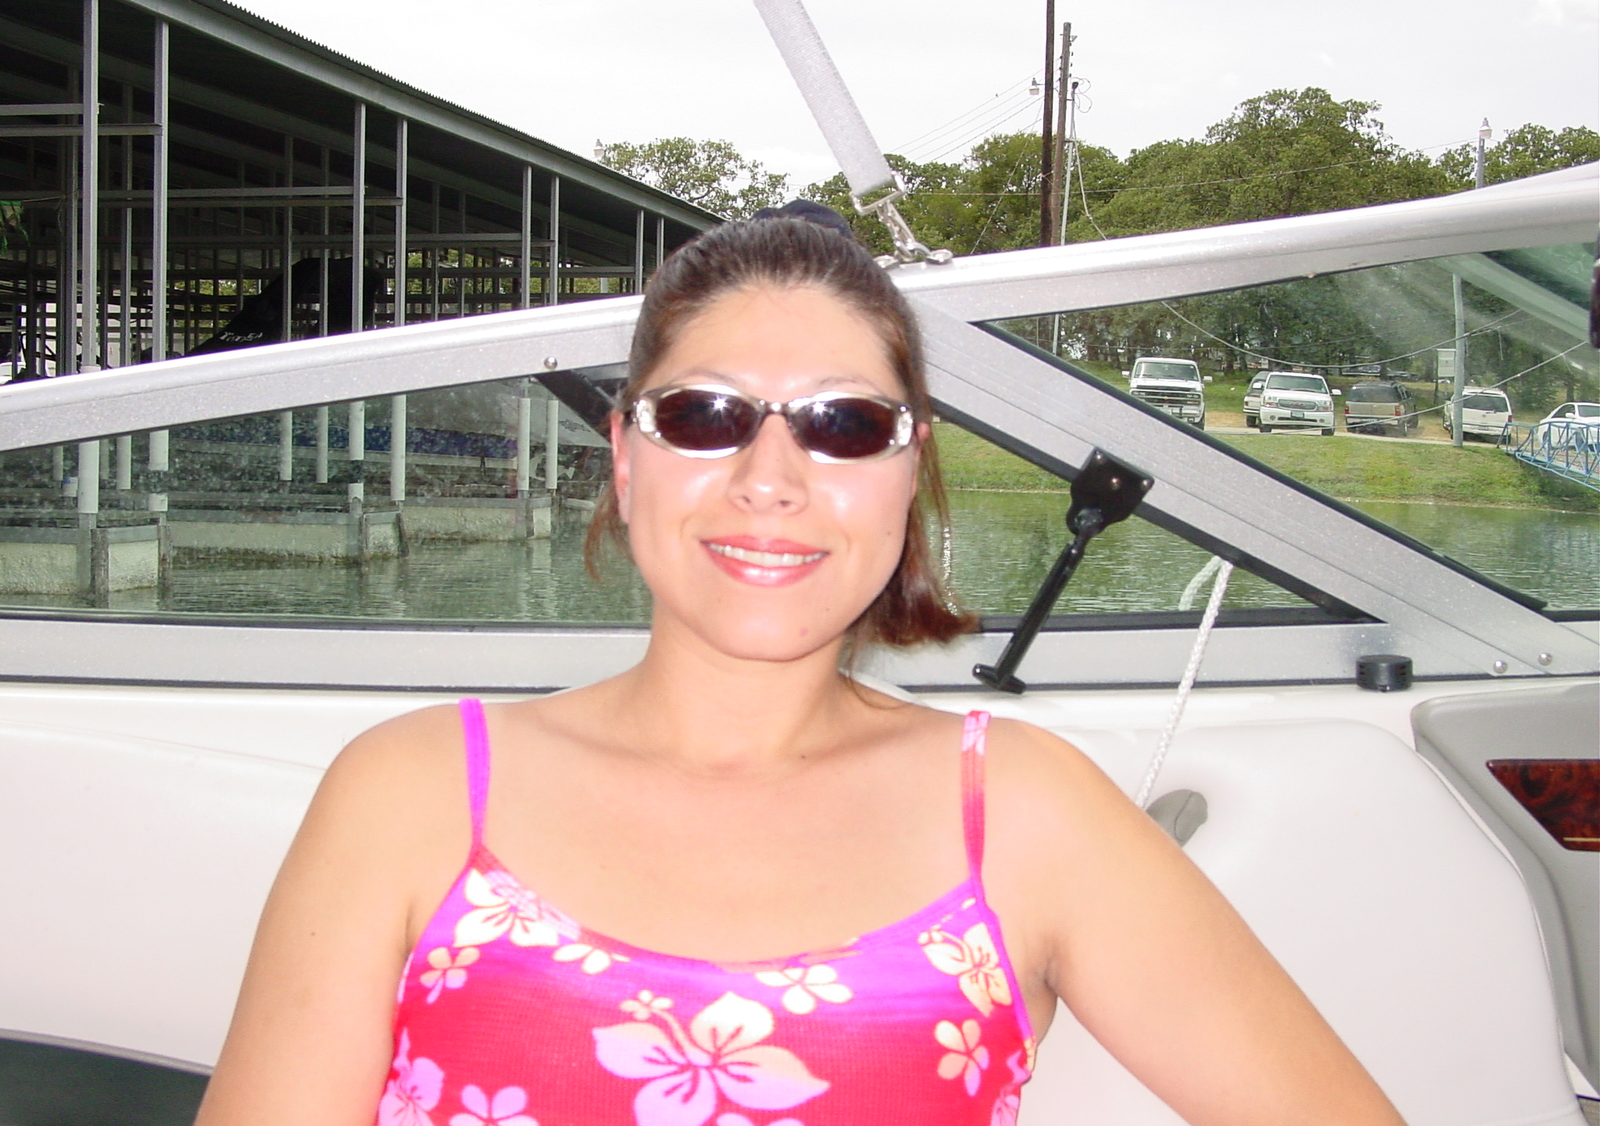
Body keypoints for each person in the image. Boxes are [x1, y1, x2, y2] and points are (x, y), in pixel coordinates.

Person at [196, 205, 1405, 1126]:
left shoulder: (1027, 813)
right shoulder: (409, 791)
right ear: (625, 455)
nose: (768, 479)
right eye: (704, 415)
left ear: (907, 469)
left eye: (843, 424)